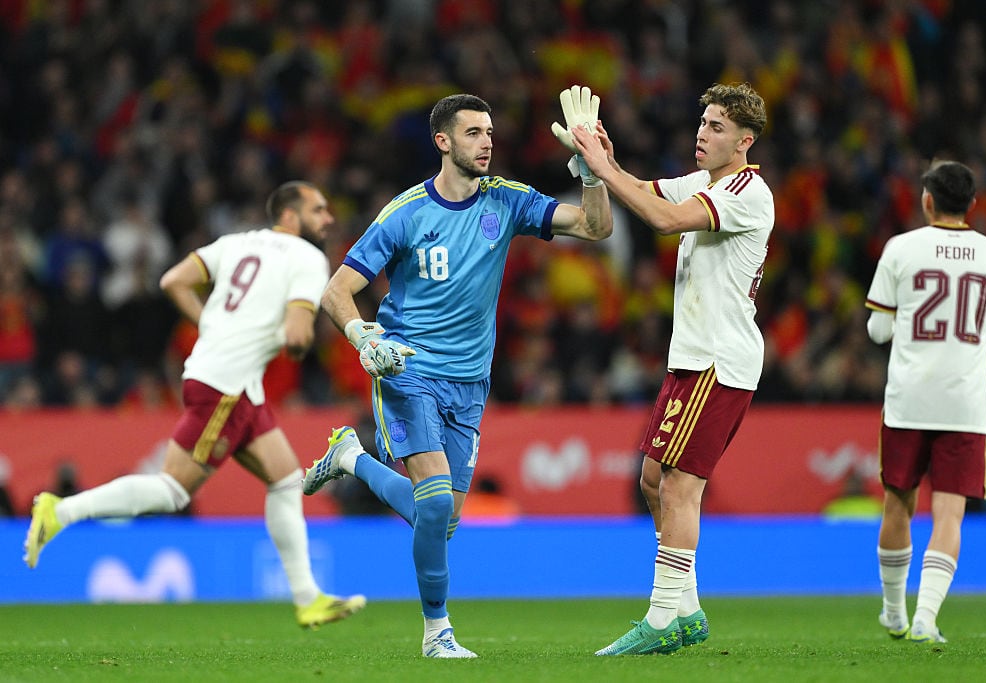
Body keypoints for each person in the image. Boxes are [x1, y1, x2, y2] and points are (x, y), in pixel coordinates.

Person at [301, 90, 612, 658]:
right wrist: (362, 336)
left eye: (490, 132)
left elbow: (595, 229)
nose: (487, 141)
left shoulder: (509, 201)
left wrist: (591, 169)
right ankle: (436, 633)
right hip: (407, 368)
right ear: (442, 142)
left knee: (439, 520)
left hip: (470, 382)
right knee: (437, 503)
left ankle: (351, 459)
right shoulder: (405, 214)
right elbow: (337, 290)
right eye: (473, 133)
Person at [23, 181, 366, 629]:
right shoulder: (307, 258)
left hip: (227, 378)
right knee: (173, 490)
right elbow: (300, 336)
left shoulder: (237, 242)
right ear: (288, 215)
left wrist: (212, 325)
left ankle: (308, 599)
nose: (327, 218)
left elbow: (174, 280)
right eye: (318, 209)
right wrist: (293, 343)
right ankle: (60, 510)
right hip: (227, 385)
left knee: (285, 479)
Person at [571, 82, 773, 656]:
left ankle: (661, 619)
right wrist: (603, 159)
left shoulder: (746, 190)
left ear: (744, 141)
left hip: (718, 358)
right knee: (653, 481)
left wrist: (601, 169)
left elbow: (661, 220)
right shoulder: (704, 182)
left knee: (682, 487)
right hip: (692, 358)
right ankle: (686, 610)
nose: (702, 133)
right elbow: (640, 190)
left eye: (716, 127)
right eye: (702, 122)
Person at [864, 160, 986, 644]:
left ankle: (894, 611)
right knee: (949, 514)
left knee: (897, 505)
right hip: (966, 404)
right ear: (972, 205)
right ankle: (927, 616)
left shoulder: (901, 248)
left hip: (909, 398)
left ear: (927, 200)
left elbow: (878, 328)